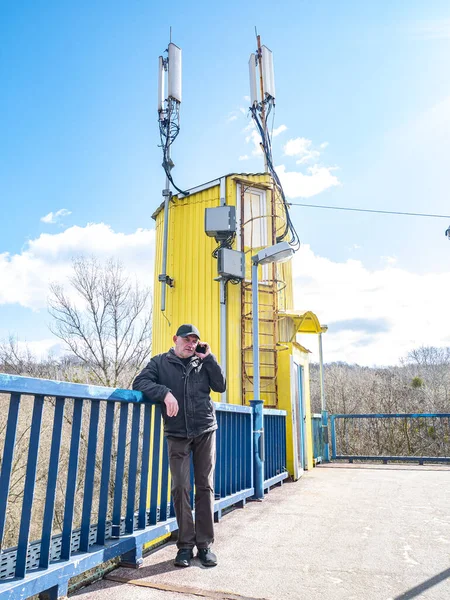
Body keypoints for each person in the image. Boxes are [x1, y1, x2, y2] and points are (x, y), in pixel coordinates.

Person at [133, 324, 226, 568]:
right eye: (187, 339)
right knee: (181, 487)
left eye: (195, 340)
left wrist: (210, 359)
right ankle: (185, 546)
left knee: (204, 486)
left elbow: (220, 385)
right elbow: (139, 382)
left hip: (205, 430)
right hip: (177, 433)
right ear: (175, 339)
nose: (191, 344)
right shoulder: (160, 363)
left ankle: (205, 545)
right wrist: (164, 392)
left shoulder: (202, 361)